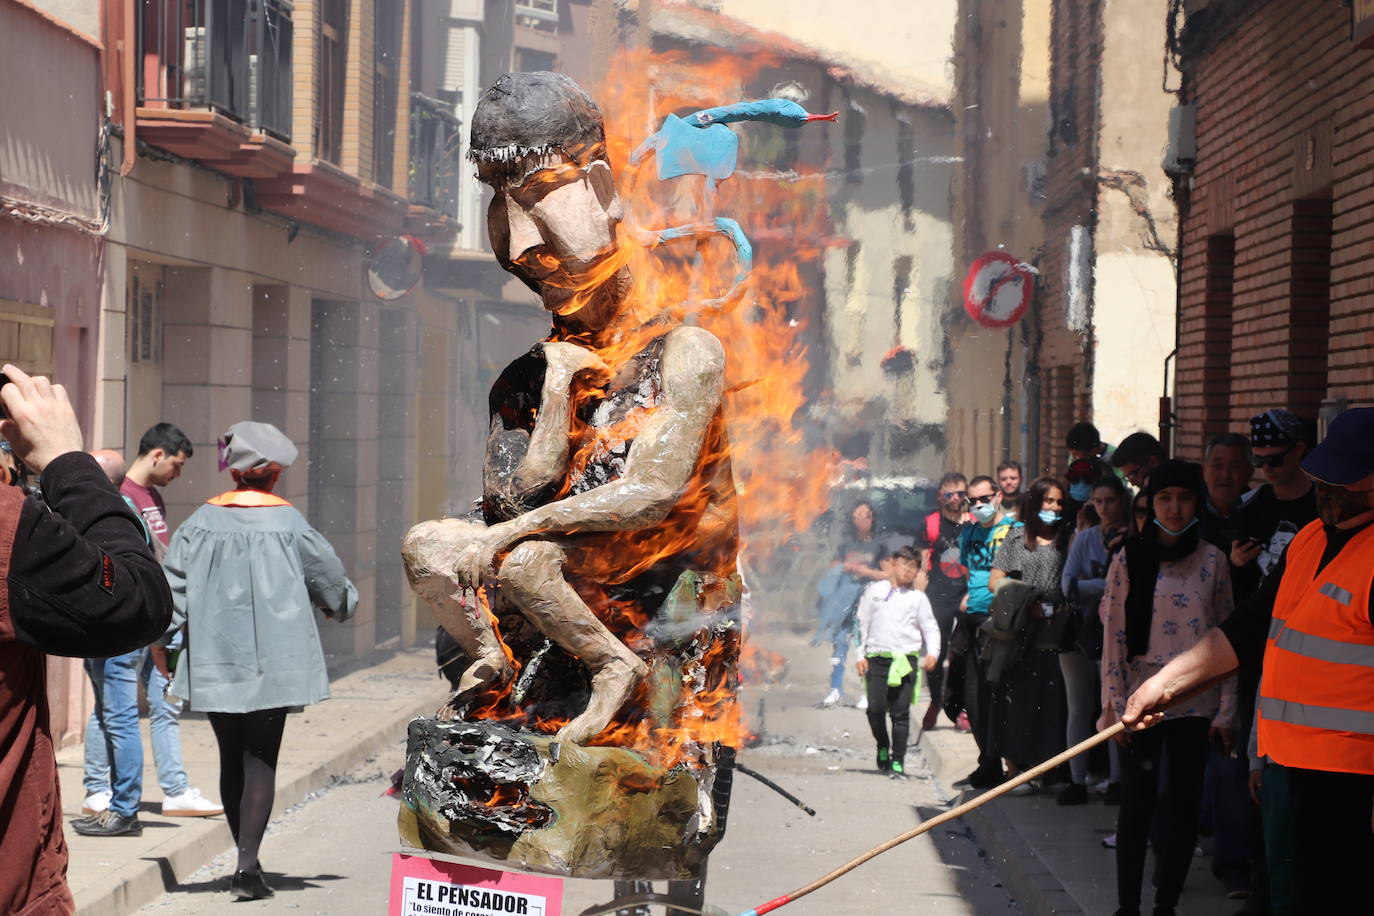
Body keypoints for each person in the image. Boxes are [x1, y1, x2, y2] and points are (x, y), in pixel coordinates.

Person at [1123, 408, 1374, 915]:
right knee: (1283, 899)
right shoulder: (1309, 541)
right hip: (1287, 768)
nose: (1324, 487)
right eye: (1322, 475)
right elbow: (1248, 630)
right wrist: (1164, 685)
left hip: (1352, 785)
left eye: (1342, 480)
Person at [0, 364, 173, 913]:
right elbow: (138, 602)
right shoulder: (7, 530)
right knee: (119, 714)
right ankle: (119, 798)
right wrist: (66, 465)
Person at [163, 421, 357, 900]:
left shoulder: (200, 522)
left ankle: (246, 859)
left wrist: (164, 643)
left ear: (236, 474)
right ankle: (247, 866)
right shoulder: (289, 523)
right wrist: (340, 603)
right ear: (272, 475)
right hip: (278, 662)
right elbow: (330, 579)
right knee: (261, 758)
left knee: (231, 757)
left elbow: (171, 591)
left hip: (216, 660)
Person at [1099, 460, 1236, 916]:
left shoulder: (1214, 560)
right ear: (1150, 504)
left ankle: (1165, 905)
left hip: (1195, 698)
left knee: (1181, 807)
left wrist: (1227, 708)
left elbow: (1227, 636)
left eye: (1184, 498)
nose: (1175, 509)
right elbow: (1114, 637)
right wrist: (1114, 704)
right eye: (1164, 498)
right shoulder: (1128, 559)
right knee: (1137, 805)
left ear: (1196, 501)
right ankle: (1127, 906)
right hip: (1140, 698)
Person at [79, 430, 222, 826]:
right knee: (115, 709)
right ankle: (101, 790)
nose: (178, 473)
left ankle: (172, 789)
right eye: (176, 464)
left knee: (160, 705)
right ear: (158, 454)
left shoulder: (149, 497)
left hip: (155, 616)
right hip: (133, 618)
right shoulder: (117, 494)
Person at [988, 476, 1071, 790]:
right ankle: (1015, 769)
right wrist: (1024, 600)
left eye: (1059, 502)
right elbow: (995, 580)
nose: (1054, 507)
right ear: (1035, 502)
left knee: (1052, 701)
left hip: (1056, 631)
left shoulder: (1069, 537)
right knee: (1017, 700)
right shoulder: (1017, 536)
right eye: (1048, 501)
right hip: (1020, 631)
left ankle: (1047, 769)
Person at [1058, 475, 1129, 805]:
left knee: (1114, 706)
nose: (1104, 508)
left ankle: (1117, 781)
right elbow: (1067, 585)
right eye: (1097, 502)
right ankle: (1077, 780)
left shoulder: (1131, 534)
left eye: (1110, 501)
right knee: (1079, 707)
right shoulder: (1085, 538)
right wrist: (1103, 585)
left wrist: (1094, 585)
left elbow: (1126, 585)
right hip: (1080, 631)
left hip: (1115, 634)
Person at [952, 475, 1019, 788]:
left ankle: (1007, 764)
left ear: (998, 496)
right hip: (973, 619)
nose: (979, 505)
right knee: (971, 696)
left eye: (984, 498)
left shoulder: (1013, 532)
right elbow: (970, 570)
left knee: (998, 695)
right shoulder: (969, 533)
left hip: (1001, 622)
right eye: (973, 501)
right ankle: (988, 760)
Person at [856, 546, 941, 779]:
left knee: (900, 714)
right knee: (875, 710)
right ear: (893, 563)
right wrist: (860, 655)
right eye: (905, 563)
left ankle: (898, 762)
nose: (908, 570)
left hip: (905, 660)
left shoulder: (918, 598)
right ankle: (882, 745)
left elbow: (930, 627)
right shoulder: (875, 591)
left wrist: (933, 652)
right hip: (877, 659)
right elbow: (861, 623)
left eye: (913, 566)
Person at [1231, 410, 1317, 597]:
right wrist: (1235, 560)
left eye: (1274, 459)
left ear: (1299, 450)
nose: (1266, 468)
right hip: (1259, 617)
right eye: (1258, 460)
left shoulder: (1324, 504)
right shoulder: (1247, 505)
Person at [820, 501, 887, 707]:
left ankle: (869, 691)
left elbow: (887, 573)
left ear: (872, 519)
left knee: (868, 647)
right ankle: (835, 688)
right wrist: (843, 567)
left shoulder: (879, 546)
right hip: (846, 601)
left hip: (869, 601)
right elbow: (833, 569)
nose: (861, 519)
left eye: (866, 515)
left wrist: (865, 572)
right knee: (840, 642)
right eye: (857, 515)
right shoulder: (845, 545)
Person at [918, 472, 969, 730]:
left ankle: (960, 707)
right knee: (934, 654)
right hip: (937, 597)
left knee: (963, 656)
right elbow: (921, 563)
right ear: (940, 496)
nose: (956, 498)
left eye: (960, 493)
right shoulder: (931, 523)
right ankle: (936, 700)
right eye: (949, 494)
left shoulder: (972, 522)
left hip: (966, 597)